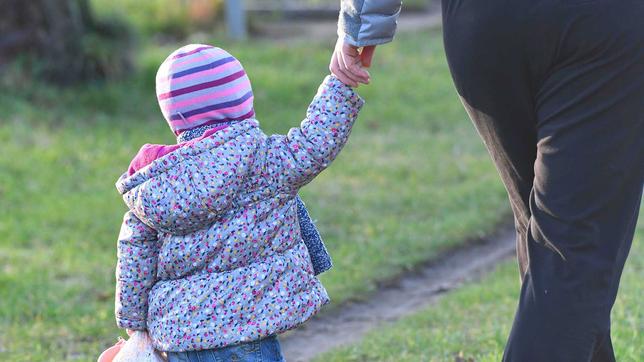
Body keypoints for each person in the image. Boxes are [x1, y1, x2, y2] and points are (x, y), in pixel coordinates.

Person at [331, 1, 644, 361]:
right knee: (569, 252)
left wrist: (361, 23)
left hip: (483, 25)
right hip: (601, 25)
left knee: (551, 242)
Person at [113, 44, 364, 361]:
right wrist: (340, 84)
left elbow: (134, 256)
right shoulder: (266, 160)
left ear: (176, 117)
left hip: (179, 338)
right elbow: (316, 141)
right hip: (247, 329)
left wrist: (135, 326)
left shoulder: (154, 182)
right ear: (244, 100)